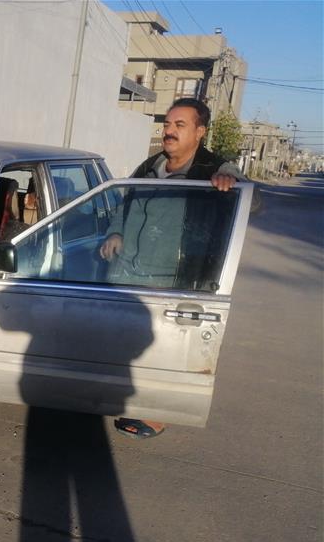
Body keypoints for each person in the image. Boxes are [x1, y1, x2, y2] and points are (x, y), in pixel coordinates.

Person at [99, 98, 245, 439]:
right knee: (124, 341)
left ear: (200, 131)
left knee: (161, 348)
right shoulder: (151, 165)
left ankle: (155, 414)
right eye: (167, 124)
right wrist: (115, 232)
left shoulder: (213, 169)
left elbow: (253, 201)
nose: (169, 131)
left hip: (172, 276)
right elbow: (124, 201)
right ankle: (125, 397)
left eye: (180, 125)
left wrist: (231, 180)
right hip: (128, 270)